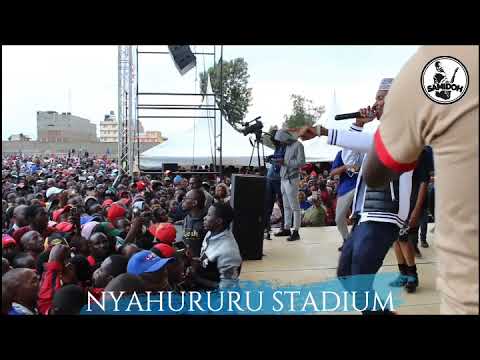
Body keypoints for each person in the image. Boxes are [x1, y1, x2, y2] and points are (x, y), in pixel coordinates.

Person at [362, 46, 478, 314]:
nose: (377, 101)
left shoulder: (427, 68)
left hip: (412, 205)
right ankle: (404, 273)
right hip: (399, 206)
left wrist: (416, 210)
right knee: (399, 240)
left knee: (405, 239)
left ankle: (411, 274)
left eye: (382, 98)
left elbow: (380, 173)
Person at [299, 77, 414, 313]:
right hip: (367, 216)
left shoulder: (403, 130)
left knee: (359, 281)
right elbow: (351, 159)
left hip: (385, 216)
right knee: (345, 276)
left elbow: (369, 143)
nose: (375, 103)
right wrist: (358, 124)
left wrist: (323, 131)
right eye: (376, 98)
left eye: (381, 98)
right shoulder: (380, 133)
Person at [187, 202, 242, 290]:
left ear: (219, 221)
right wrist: (196, 260)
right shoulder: (211, 232)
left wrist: (197, 279)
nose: (204, 217)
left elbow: (228, 287)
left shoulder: (228, 251)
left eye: (209, 215)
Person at [273, 129, 306, 241]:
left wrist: (285, 163)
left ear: (284, 138)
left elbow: (302, 162)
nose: (280, 143)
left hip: (292, 179)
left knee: (295, 207)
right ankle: (287, 228)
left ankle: (296, 231)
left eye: (281, 140)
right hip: (283, 178)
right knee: (286, 206)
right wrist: (278, 161)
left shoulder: (298, 145)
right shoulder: (286, 146)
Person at [330, 149, 362, 251]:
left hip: (363, 186)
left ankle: (361, 241)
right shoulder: (342, 153)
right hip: (346, 187)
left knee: (362, 217)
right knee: (339, 218)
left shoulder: (364, 150)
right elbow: (333, 172)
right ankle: (346, 240)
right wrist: (345, 167)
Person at [264, 129, 286, 240]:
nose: (272, 142)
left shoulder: (285, 147)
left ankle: (284, 227)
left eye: (273, 139)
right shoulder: (277, 147)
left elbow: (282, 161)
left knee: (282, 203)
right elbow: (276, 157)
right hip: (270, 178)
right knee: (268, 204)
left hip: (278, 179)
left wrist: (272, 160)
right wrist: (271, 157)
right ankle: (266, 227)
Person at [181, 189, 208, 258]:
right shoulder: (186, 218)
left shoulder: (206, 223)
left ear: (194, 203)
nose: (182, 200)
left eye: (186, 198)